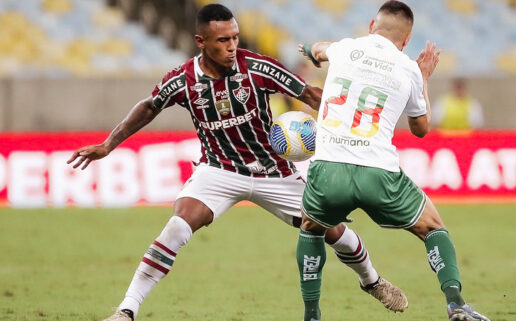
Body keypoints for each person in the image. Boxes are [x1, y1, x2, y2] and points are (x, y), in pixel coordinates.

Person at [67, 4, 407, 321]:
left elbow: (311, 95)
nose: (231, 46)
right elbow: (149, 105)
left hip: (274, 171)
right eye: (222, 40)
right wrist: (109, 144)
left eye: (235, 38)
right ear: (201, 42)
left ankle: (371, 280)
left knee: (335, 232)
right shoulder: (183, 80)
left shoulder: (257, 67)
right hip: (219, 170)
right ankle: (126, 311)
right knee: (177, 226)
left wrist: (360, 127)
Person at [296, 1, 491, 321]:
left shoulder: (345, 48)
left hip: (329, 167)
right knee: (433, 227)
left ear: (373, 24)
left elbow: (319, 49)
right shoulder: (409, 68)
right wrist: (425, 76)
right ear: (407, 38)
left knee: (311, 226)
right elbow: (421, 128)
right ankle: (456, 303)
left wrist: (308, 48)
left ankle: (312, 315)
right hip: (379, 172)